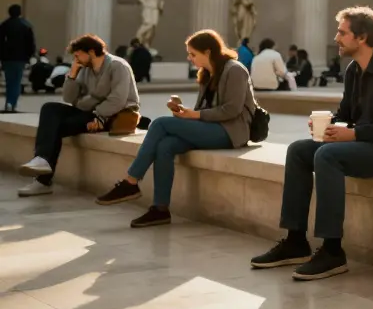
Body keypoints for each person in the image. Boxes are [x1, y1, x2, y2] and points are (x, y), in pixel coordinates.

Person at [250, 6, 373, 281]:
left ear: (362, 37)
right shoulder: (354, 70)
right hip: (367, 145)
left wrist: (352, 135)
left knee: (328, 156)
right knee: (298, 151)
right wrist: (329, 124)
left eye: (342, 33)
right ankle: (296, 241)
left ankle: (332, 250)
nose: (336, 38)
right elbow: (346, 114)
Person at [94, 30, 260, 227]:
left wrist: (195, 115)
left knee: (159, 123)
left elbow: (232, 109)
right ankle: (160, 209)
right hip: (210, 127)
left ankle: (131, 181)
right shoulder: (207, 73)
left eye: (193, 54)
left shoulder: (235, 70)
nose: (190, 58)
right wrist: (184, 112)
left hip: (231, 132)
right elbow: (203, 109)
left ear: (208, 51)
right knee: (166, 145)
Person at [16, 34, 140, 197]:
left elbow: (118, 99)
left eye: (77, 55)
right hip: (89, 112)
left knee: (57, 127)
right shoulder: (83, 68)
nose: (75, 59)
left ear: (91, 52)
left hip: (112, 115)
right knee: (49, 108)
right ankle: (42, 160)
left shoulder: (118, 66)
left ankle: (42, 181)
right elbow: (69, 98)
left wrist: (98, 115)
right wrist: (73, 74)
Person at [1, 4, 36, 112]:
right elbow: (30, 43)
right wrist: (30, 55)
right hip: (20, 58)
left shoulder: (4, 25)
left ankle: (8, 103)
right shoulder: (26, 25)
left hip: (7, 58)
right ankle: (12, 103)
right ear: (20, 12)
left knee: (9, 81)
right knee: (16, 82)